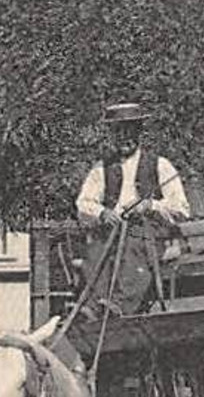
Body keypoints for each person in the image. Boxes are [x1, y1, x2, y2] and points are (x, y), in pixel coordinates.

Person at [75, 102, 191, 318]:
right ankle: (91, 306)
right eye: (118, 131)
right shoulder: (101, 168)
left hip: (150, 234)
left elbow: (181, 209)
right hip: (113, 232)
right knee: (96, 250)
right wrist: (102, 213)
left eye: (129, 130)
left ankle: (119, 305)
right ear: (111, 135)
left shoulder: (160, 165)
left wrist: (150, 206)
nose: (123, 137)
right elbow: (84, 203)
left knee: (133, 246)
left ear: (138, 132)